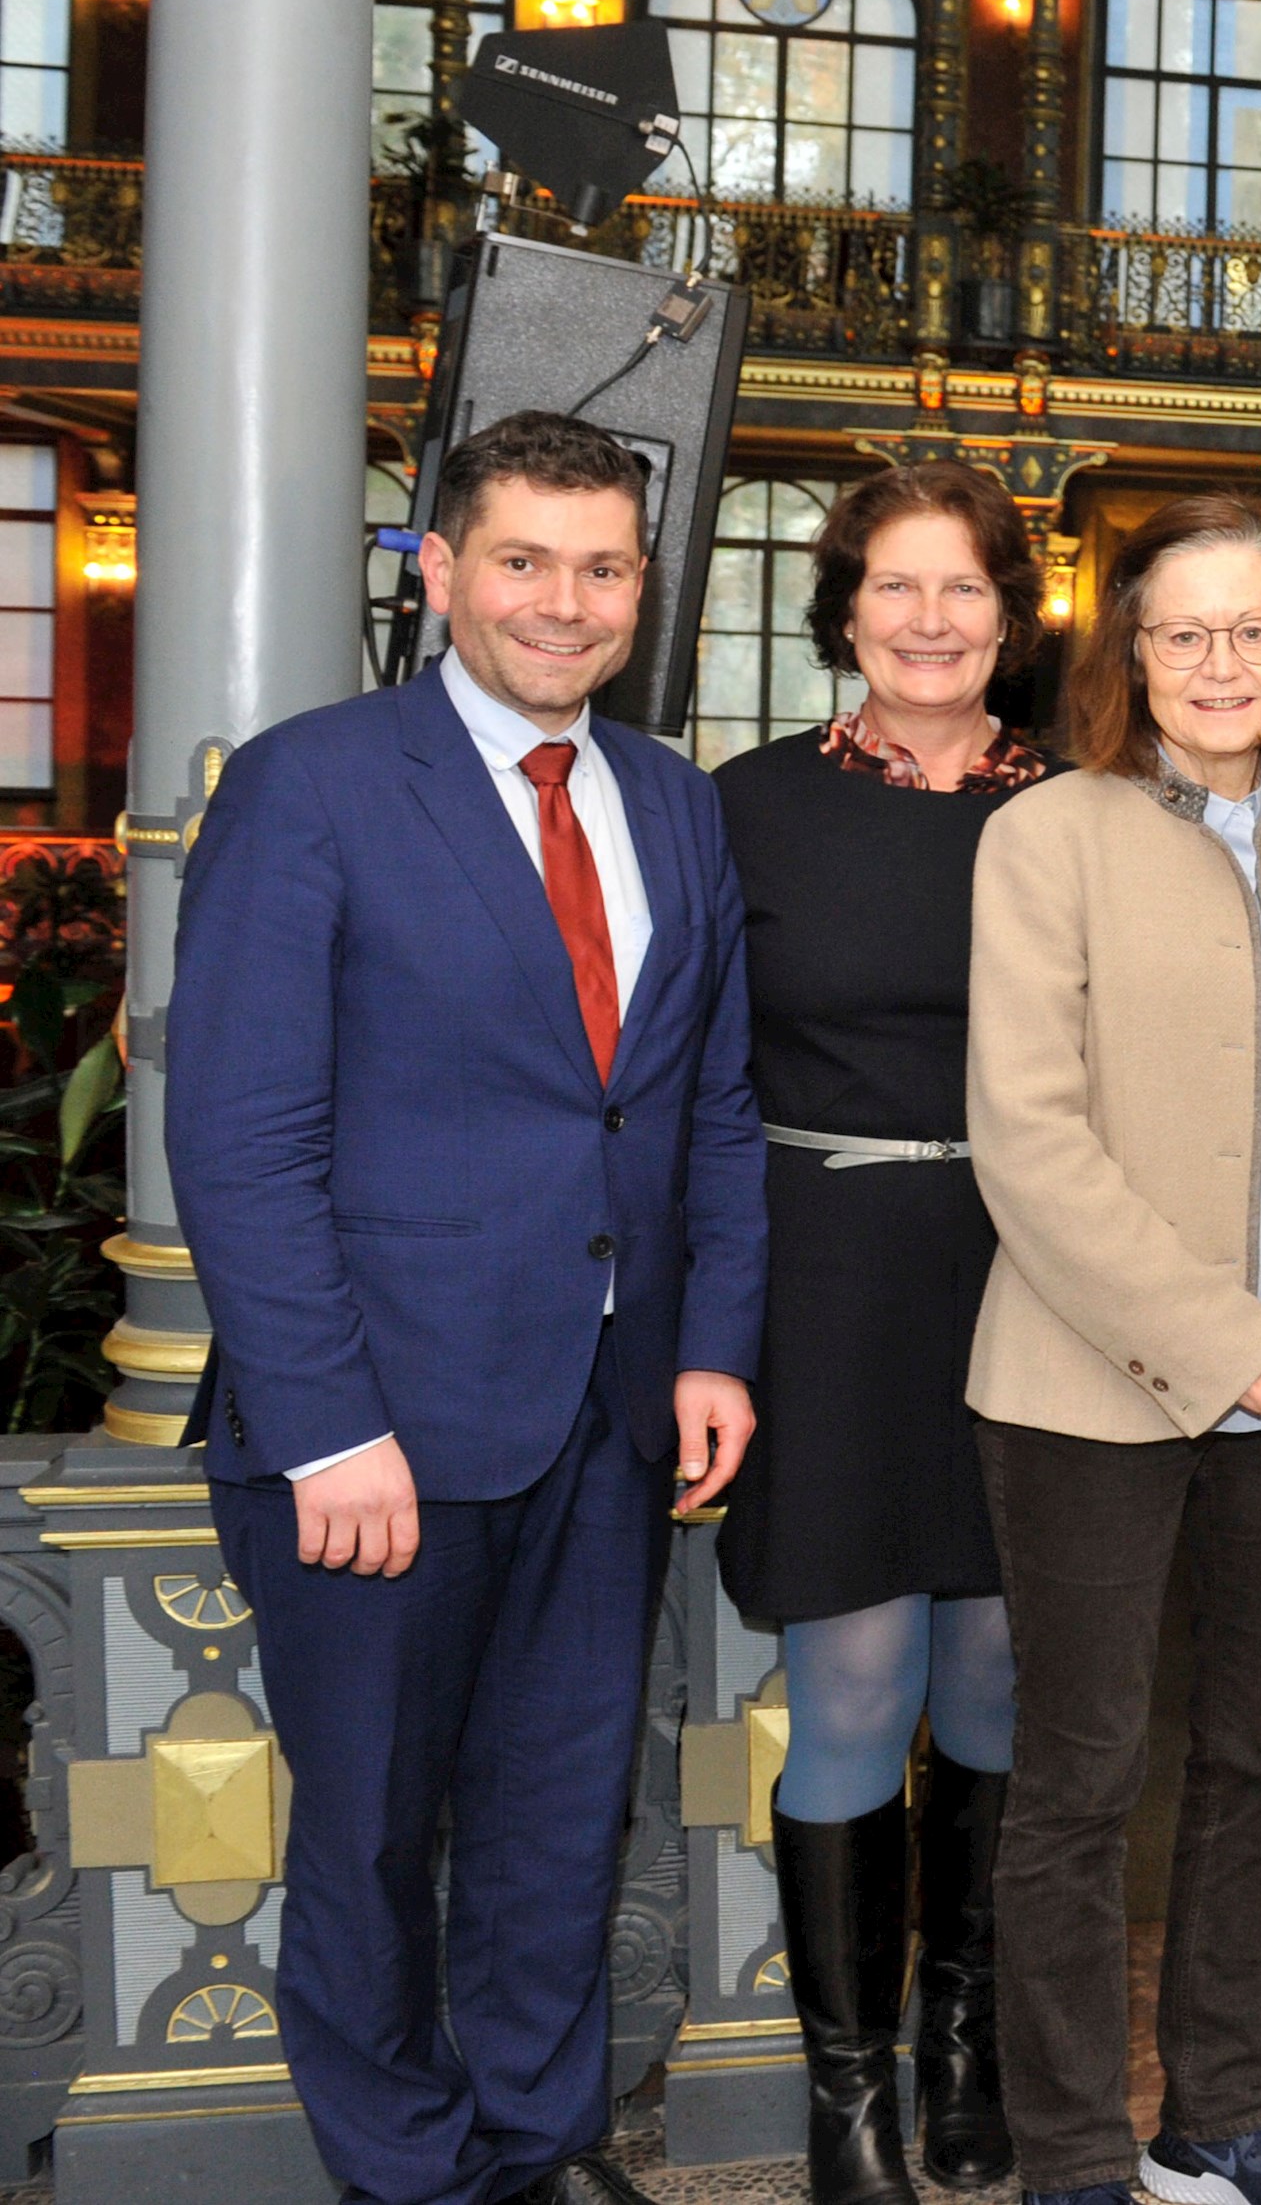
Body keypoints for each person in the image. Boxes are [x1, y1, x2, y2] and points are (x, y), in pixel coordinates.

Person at [167, 408, 767, 2205]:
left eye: (601, 566)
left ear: (642, 587)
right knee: (364, 1831)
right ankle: (413, 2172)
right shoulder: (312, 783)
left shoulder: (669, 795)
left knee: (558, 1811)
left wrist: (715, 1342)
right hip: (380, 1430)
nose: (562, 603)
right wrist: (329, 1420)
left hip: (609, 1410)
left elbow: (704, 1106)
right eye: (522, 560)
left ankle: (539, 2134)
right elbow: (243, 1138)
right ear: (439, 570)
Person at [964, 493, 1261, 2205]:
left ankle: (1222, 2115)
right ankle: (1075, 2153)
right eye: (1185, 630)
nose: (1222, 662)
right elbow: (1029, 1147)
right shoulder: (1045, 837)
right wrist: (1251, 1351)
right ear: (1128, 647)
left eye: (1255, 630)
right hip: (1091, 1386)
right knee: (1081, 1782)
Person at [714, 461, 1056, 2204]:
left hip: (1033, 1274)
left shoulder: (1081, 811)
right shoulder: (745, 805)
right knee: (851, 1679)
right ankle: (846, 2102)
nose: (930, 620)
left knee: (1000, 1668)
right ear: (843, 608)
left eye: (965, 588)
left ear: (1015, 612)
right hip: (826, 1272)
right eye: (894, 586)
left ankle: (968, 2050)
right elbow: (693, 1081)